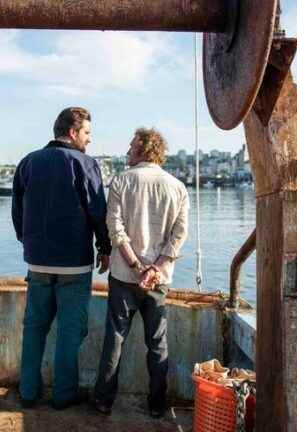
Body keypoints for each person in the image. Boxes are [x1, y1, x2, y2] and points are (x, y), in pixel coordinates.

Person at [11, 107, 112, 410]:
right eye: (87, 134)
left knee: (34, 329)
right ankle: (63, 394)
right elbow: (97, 211)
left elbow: (18, 212)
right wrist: (104, 248)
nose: (89, 141)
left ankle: (28, 392)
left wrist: (28, 243)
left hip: (37, 262)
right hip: (74, 264)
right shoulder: (85, 164)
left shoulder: (28, 162)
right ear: (72, 132)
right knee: (70, 331)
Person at [91, 127, 189, 418]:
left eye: (132, 146)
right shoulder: (177, 187)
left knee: (115, 339)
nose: (127, 150)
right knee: (157, 344)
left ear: (145, 150)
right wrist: (156, 268)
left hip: (124, 276)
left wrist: (136, 266)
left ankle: (104, 400)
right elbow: (179, 235)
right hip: (159, 280)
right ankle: (157, 405)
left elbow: (115, 230)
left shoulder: (122, 181)